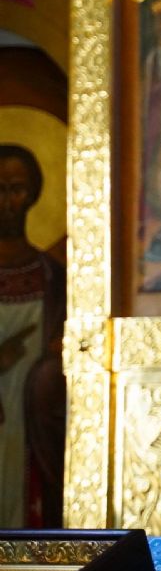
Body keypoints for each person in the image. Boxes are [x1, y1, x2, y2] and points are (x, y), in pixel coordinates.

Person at [0, 144, 65, 528]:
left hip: (32, 423)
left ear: (33, 194)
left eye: (16, 189)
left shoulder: (52, 276)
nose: (7, 202)